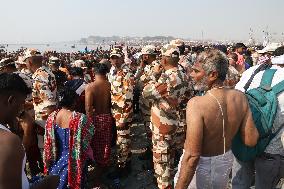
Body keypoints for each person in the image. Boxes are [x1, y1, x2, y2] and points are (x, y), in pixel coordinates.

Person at [174, 49, 259, 189]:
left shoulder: (197, 104)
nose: (191, 75)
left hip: (201, 168)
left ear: (213, 74)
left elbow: (192, 157)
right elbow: (251, 140)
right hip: (225, 164)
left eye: (196, 71)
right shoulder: (240, 97)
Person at [232, 46, 284, 189]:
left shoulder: (252, 72)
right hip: (272, 150)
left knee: (240, 183)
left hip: (244, 140)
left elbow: (237, 98)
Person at [0, 73, 59, 189]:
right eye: (21, 103)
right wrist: (46, 184)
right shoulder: (8, 141)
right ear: (10, 100)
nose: (22, 109)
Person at [142, 44, 188, 189]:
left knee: (162, 163)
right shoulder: (183, 74)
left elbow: (146, 93)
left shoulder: (166, 78)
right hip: (177, 124)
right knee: (171, 157)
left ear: (164, 60)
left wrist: (154, 75)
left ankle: (164, 185)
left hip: (163, 127)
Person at [43, 81, 95, 189]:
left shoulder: (52, 117)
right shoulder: (81, 118)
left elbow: (48, 140)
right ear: (74, 102)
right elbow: (89, 136)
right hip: (74, 159)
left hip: (57, 158)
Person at [85, 63, 112, 187]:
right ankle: (104, 165)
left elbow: (88, 108)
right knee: (105, 143)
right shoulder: (109, 85)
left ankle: (97, 176)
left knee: (96, 146)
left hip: (96, 119)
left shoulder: (90, 87)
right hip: (107, 117)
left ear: (93, 72)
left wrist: (88, 123)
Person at [108, 47, 134, 176]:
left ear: (122, 57)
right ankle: (127, 163)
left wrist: (124, 117)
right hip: (117, 112)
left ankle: (122, 167)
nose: (115, 60)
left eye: (117, 57)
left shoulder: (125, 72)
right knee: (124, 139)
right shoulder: (114, 71)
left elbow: (128, 97)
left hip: (123, 113)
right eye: (113, 57)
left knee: (122, 141)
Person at [24, 49, 57, 128]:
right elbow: (44, 99)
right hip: (47, 121)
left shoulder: (39, 77)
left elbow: (50, 104)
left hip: (43, 123)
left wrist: (49, 129)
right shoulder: (48, 72)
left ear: (29, 62)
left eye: (25, 62)